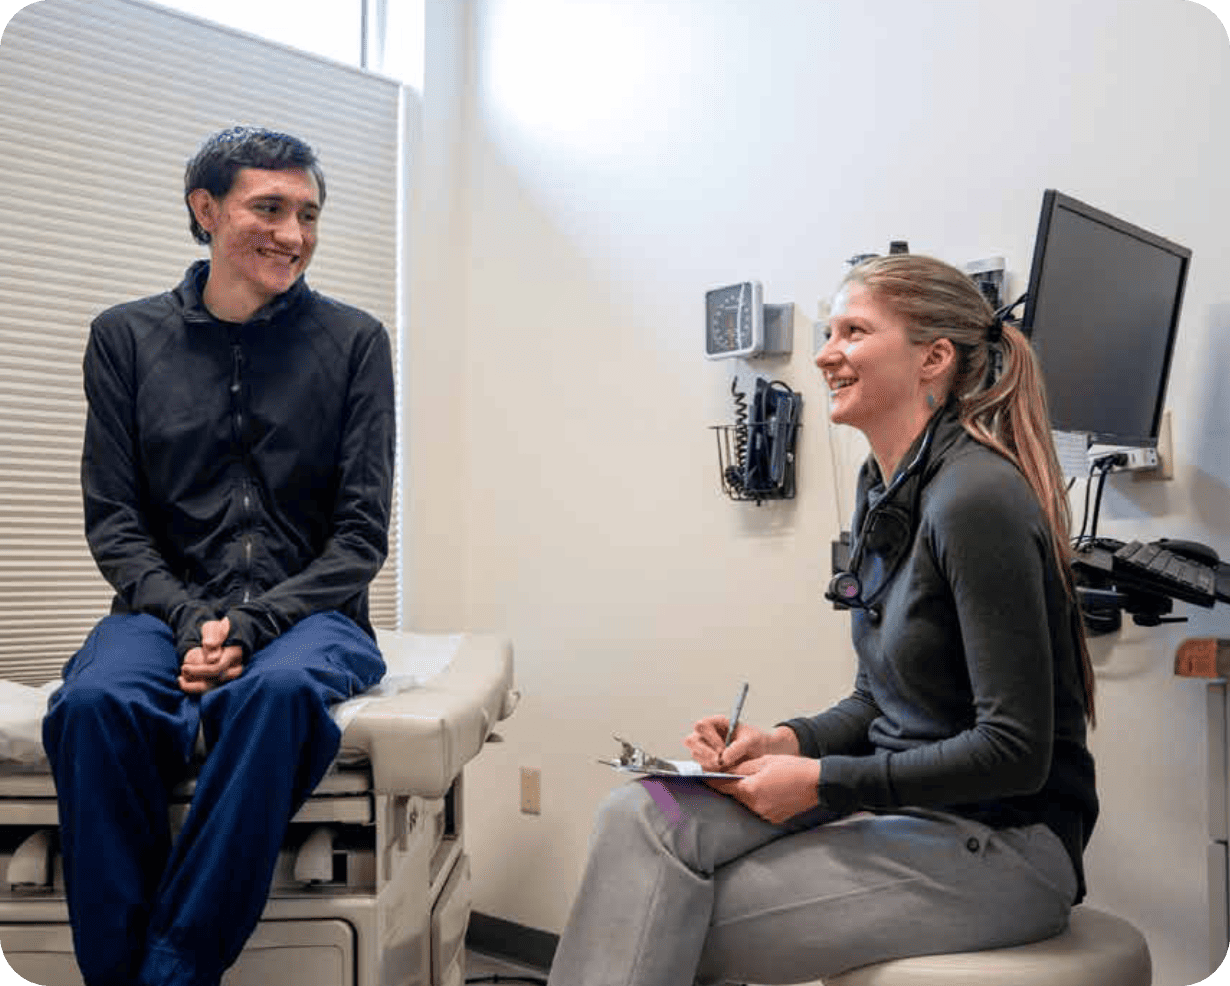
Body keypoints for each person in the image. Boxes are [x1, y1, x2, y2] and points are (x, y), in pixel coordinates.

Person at [546, 254, 1098, 985]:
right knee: (638, 812)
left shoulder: (977, 500)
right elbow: (880, 700)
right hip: (897, 807)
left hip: (1003, 843)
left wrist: (824, 782)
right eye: (829, 329)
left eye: (854, 331)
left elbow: (1015, 752)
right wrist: (781, 740)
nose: (824, 352)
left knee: (656, 910)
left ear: (932, 358)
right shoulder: (886, 487)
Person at [41, 127, 395, 986]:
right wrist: (191, 617)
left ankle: (171, 973)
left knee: (274, 693)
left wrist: (249, 623)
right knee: (92, 706)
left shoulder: (355, 343)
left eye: (308, 213)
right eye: (268, 208)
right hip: (159, 610)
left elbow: (360, 535)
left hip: (311, 615)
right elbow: (115, 521)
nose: (294, 233)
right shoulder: (124, 339)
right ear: (205, 211)